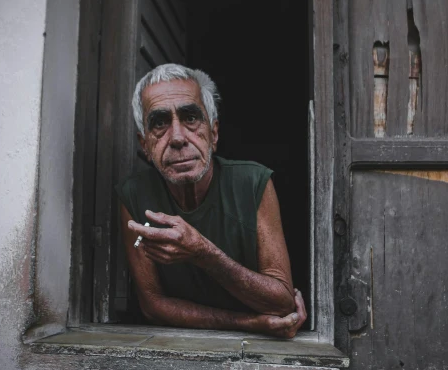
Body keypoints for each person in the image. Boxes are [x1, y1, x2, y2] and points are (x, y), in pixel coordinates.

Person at [116, 64, 307, 338]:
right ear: (145, 145)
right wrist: (249, 324)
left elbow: (281, 302)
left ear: (214, 134)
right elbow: (153, 305)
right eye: (159, 123)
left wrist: (203, 253)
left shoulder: (253, 183)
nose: (178, 138)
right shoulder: (134, 196)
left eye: (191, 118)